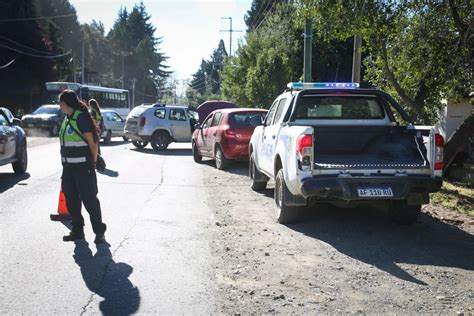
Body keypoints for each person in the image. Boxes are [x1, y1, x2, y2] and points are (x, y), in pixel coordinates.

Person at [59, 90, 107, 244]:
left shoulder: (80, 118)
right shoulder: (67, 119)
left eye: (60, 103)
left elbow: (93, 144)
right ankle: (78, 231)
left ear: (65, 104)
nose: (59, 106)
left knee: (90, 201)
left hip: (83, 168)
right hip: (68, 168)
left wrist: (92, 164)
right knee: (71, 201)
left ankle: (99, 232)